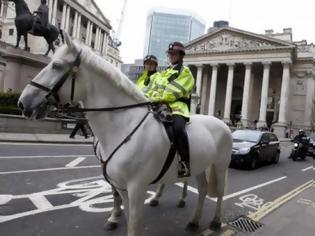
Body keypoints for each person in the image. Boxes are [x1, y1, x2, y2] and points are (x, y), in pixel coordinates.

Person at [145, 42, 194, 178]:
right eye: (170, 53)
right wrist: (152, 97)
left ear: (181, 55)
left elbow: (174, 92)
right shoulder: (163, 73)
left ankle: (184, 163)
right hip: (159, 105)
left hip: (178, 107)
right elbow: (152, 90)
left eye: (174, 54)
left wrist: (157, 97)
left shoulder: (185, 72)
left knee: (178, 129)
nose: (171, 56)